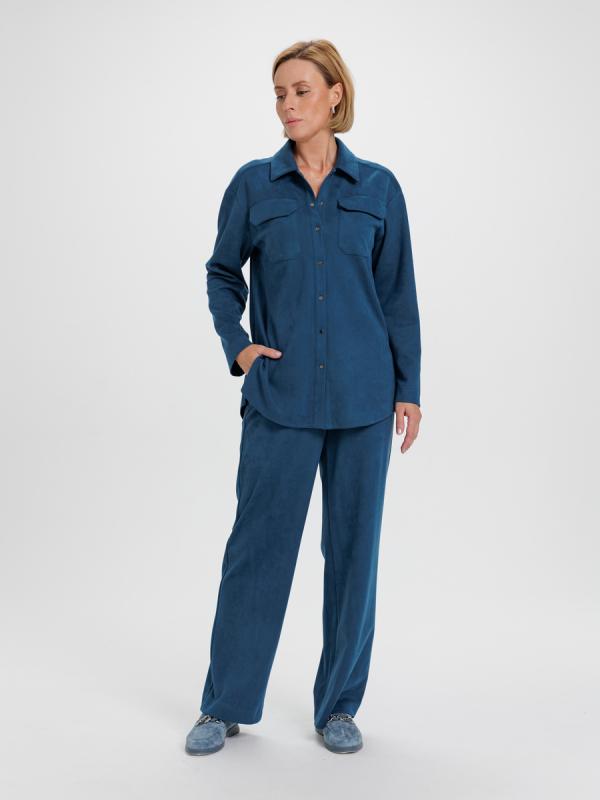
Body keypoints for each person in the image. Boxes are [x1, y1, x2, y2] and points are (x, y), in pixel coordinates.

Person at [186, 38, 422, 756]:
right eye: (280, 94)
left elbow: (398, 294)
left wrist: (409, 388)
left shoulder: (378, 189)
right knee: (256, 553)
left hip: (363, 401)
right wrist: (238, 344)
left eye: (301, 91)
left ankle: (339, 707)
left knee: (354, 556)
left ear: (335, 95)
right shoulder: (254, 186)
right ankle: (224, 705)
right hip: (279, 399)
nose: (287, 105)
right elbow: (221, 272)